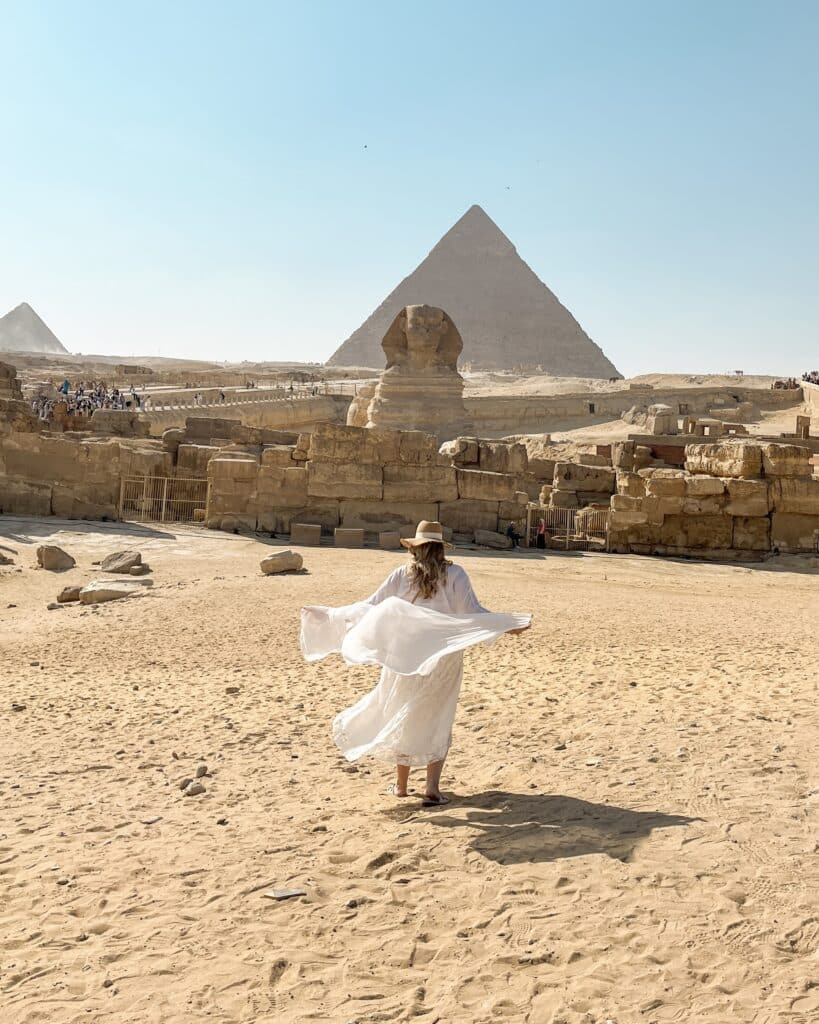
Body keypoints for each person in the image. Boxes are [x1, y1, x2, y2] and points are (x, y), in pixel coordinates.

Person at [301, 521, 531, 806]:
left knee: (403, 712)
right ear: (440, 548)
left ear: (416, 548)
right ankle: (432, 789)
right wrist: (507, 625)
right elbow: (474, 612)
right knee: (438, 718)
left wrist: (330, 615)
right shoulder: (456, 574)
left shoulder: (401, 574)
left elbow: (370, 606)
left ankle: (401, 786)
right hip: (443, 656)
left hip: (405, 655)